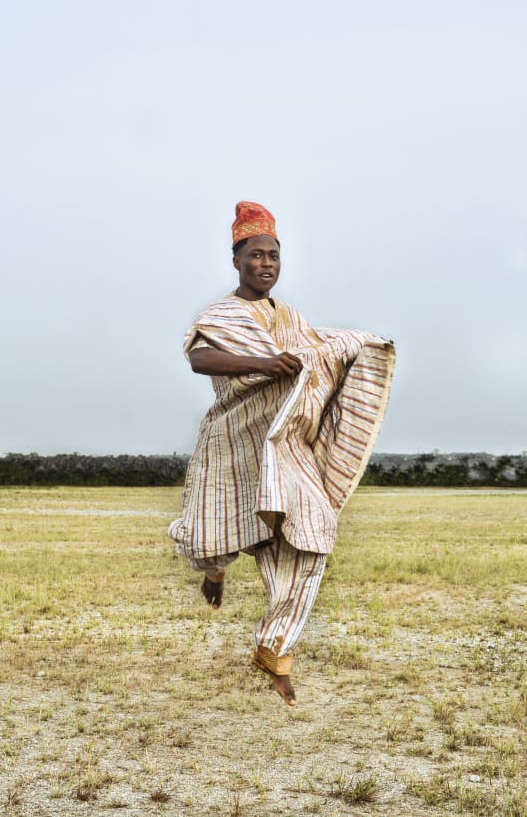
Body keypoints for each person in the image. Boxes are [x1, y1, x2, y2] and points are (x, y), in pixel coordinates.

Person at [169, 201, 395, 706]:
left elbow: (315, 350)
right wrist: (265, 363)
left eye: (273, 255)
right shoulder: (223, 314)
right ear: (236, 260)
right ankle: (213, 571)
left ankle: (275, 652)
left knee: (308, 540)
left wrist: (357, 347)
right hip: (232, 442)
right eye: (256, 255)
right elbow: (199, 358)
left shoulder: (290, 317)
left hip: (284, 448)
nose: (266, 264)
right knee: (208, 539)